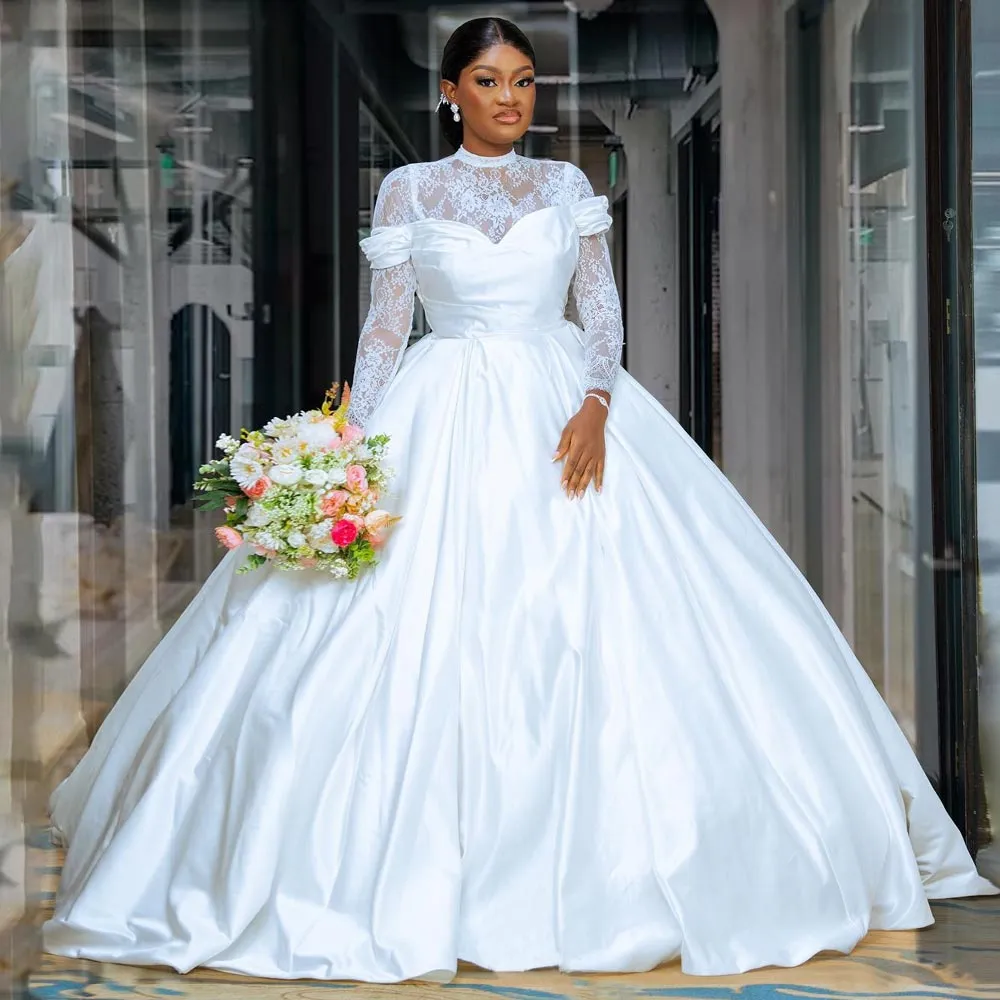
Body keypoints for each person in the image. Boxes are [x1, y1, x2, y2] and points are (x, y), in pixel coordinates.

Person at [43, 16, 996, 984]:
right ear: (450, 93)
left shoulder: (566, 187)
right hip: (438, 404)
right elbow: (384, 331)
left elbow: (603, 315)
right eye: (490, 82)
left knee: (618, 623)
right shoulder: (408, 188)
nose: (511, 99)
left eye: (526, 82)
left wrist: (592, 407)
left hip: (560, 406)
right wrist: (347, 449)